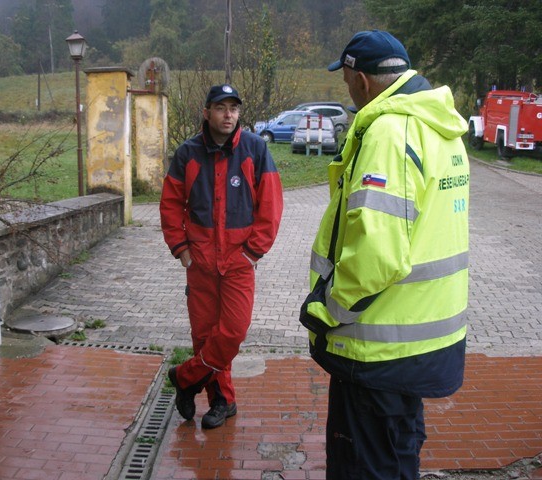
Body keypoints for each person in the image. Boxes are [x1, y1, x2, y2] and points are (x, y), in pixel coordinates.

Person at [300, 30, 469, 479]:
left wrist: (327, 309)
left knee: (366, 466)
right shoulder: (440, 127)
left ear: (361, 82)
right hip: (419, 338)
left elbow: (377, 254)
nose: (347, 90)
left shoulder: (389, 133)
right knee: (397, 458)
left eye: (347, 81)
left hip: (376, 346)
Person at [160, 84, 283, 429]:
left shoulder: (255, 149)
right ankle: (221, 400)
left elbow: (271, 206)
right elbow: (170, 203)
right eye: (220, 108)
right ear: (206, 113)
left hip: (238, 262)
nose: (228, 115)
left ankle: (185, 377)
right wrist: (181, 249)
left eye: (233, 108)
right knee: (204, 335)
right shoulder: (188, 153)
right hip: (199, 262)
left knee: (231, 332)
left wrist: (252, 252)